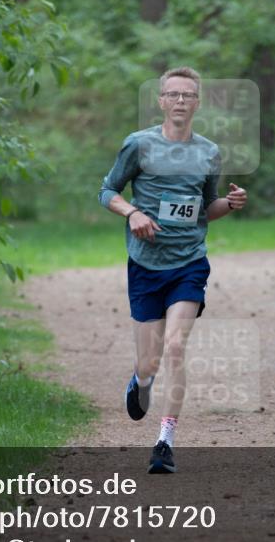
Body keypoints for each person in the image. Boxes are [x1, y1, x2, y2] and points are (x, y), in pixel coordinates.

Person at [98, 66, 248, 473]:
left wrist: (230, 206)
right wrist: (132, 213)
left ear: (198, 103)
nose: (180, 101)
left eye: (188, 95)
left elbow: (205, 208)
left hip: (189, 264)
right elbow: (107, 191)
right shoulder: (139, 145)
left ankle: (164, 442)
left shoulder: (209, 152)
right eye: (173, 95)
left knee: (177, 347)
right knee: (149, 362)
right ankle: (141, 381)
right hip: (146, 265)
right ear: (161, 100)